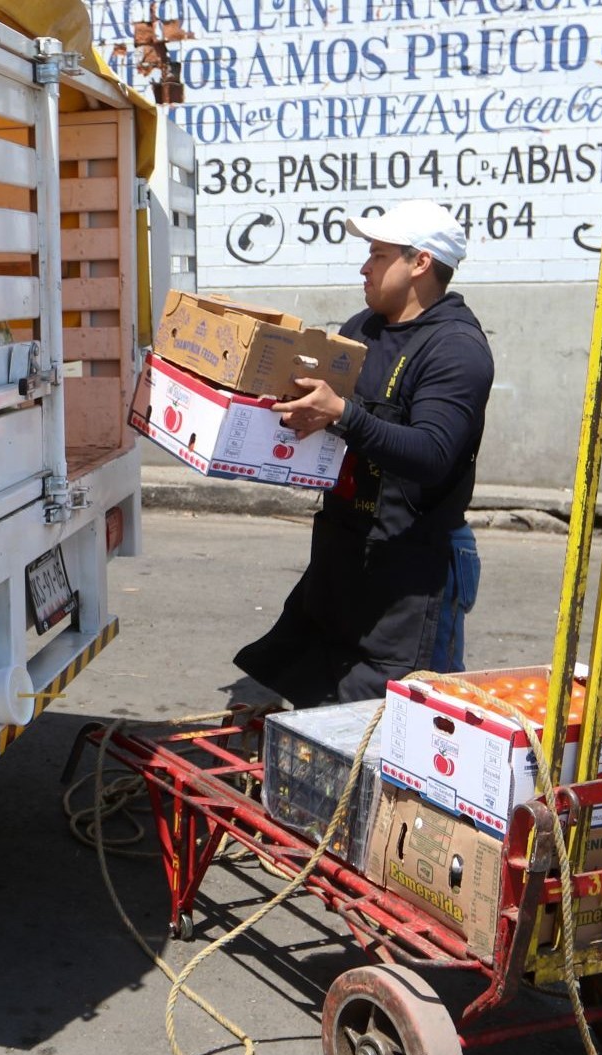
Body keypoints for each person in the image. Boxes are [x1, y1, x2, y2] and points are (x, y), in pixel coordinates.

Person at [232, 200, 493, 706]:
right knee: (320, 700)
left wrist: (344, 415)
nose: (364, 266)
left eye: (377, 253)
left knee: (403, 724)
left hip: (415, 573)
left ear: (420, 263)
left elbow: (432, 453)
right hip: (347, 552)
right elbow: (323, 414)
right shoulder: (363, 329)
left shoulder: (456, 348)